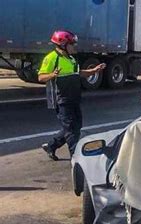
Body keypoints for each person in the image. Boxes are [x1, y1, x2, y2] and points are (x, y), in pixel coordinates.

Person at [39, 30, 106, 160]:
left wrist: (93, 71)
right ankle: (76, 157)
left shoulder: (71, 59)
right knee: (71, 130)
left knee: (76, 127)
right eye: (72, 44)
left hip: (74, 98)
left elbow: (78, 73)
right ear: (62, 44)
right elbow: (41, 77)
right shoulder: (52, 58)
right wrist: (52, 75)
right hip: (62, 100)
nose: (74, 46)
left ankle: (51, 146)